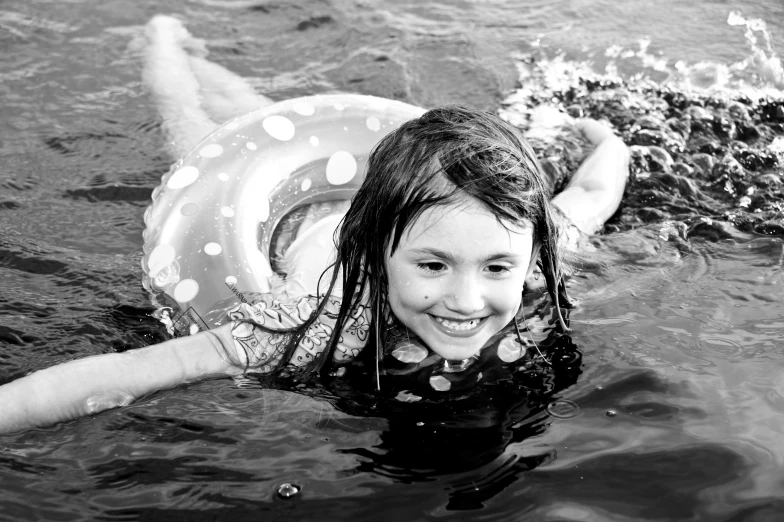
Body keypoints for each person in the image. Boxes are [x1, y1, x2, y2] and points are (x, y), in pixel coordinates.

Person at [0, 16, 629, 433]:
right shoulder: (314, 318)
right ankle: (162, 44)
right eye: (433, 266)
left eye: (496, 268)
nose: (467, 299)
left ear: (528, 255)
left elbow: (594, 191)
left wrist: (607, 136)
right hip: (280, 214)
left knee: (255, 109)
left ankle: (198, 57)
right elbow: (119, 376)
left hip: (334, 179)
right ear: (377, 253)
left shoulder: (536, 252)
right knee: (193, 124)